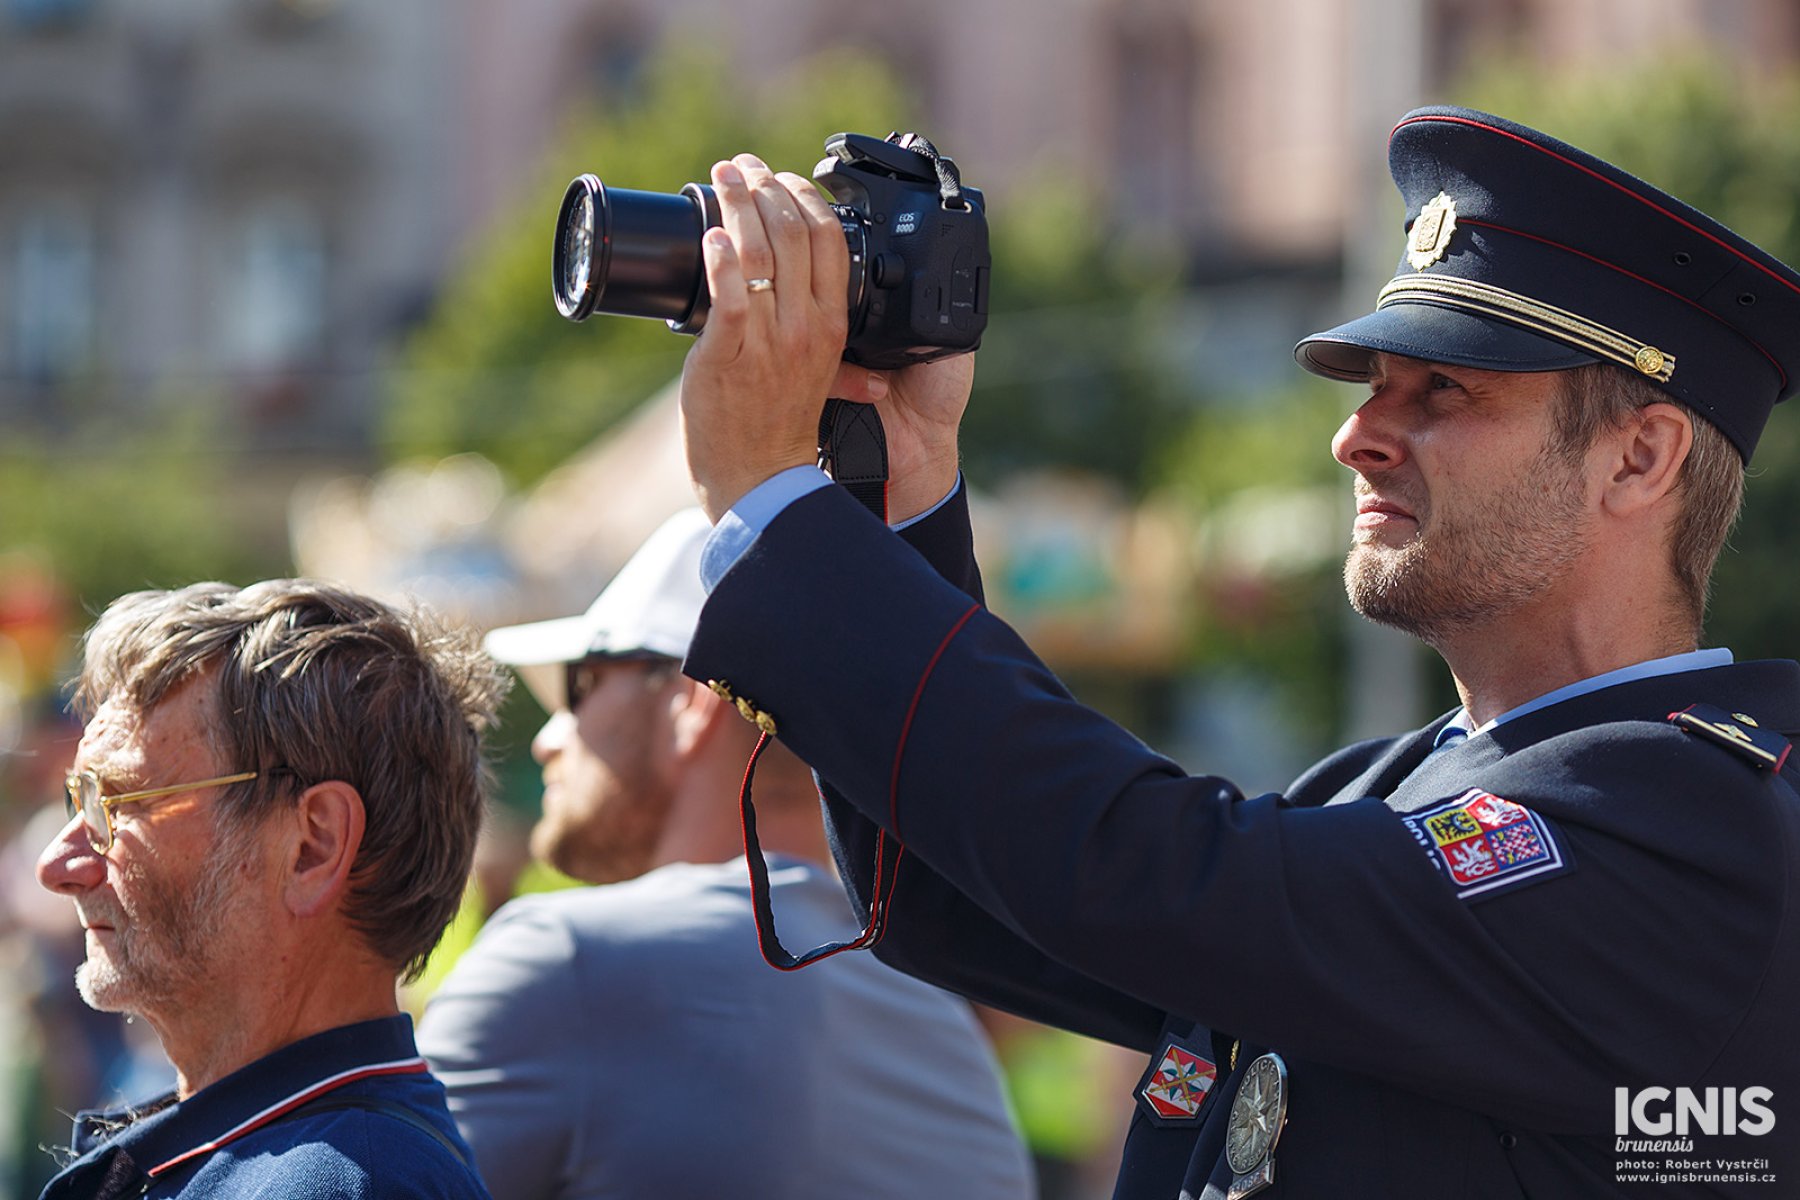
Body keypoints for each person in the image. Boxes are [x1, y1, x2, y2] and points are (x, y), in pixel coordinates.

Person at [671, 106, 1800, 1197]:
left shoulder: (1693, 829)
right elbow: (954, 899)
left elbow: (1144, 874)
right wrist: (903, 479)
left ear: (1640, 458)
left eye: (1444, 389)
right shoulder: (1385, 785)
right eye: (1375, 388)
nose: (1355, 435)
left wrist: (778, 507)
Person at [417, 509, 1035, 1200]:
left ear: (691, 703)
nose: (550, 738)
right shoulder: (944, 1031)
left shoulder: (566, 962)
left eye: (581, 684)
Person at [34, 580, 506, 1199]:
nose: (58, 864)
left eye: (119, 803)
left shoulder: (342, 1183)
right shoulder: (309, 1155)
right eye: (79, 800)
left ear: (313, 845)